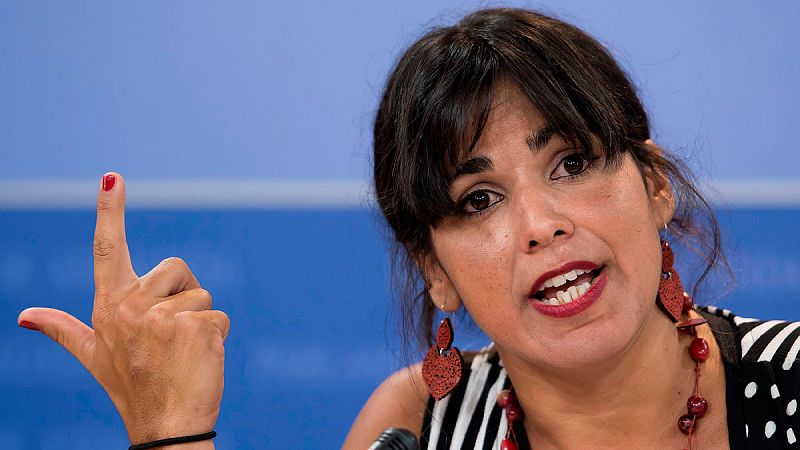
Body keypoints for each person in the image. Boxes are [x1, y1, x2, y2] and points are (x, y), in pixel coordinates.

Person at [14, 7, 798, 450]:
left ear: (654, 186)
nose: (540, 225)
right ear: (436, 272)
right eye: (479, 200)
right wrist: (172, 436)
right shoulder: (416, 429)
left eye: (570, 163)